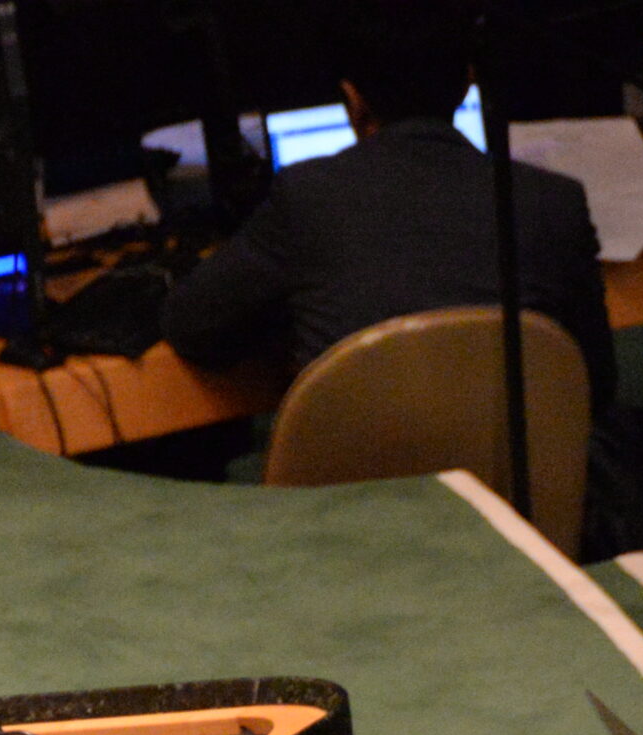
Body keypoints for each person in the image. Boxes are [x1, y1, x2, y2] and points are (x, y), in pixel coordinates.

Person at [161, 0, 616, 425]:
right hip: (514, 501)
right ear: (467, 84)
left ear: (352, 99)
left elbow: (190, 327)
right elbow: (593, 383)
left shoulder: (307, 196)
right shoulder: (554, 202)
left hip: (364, 504)